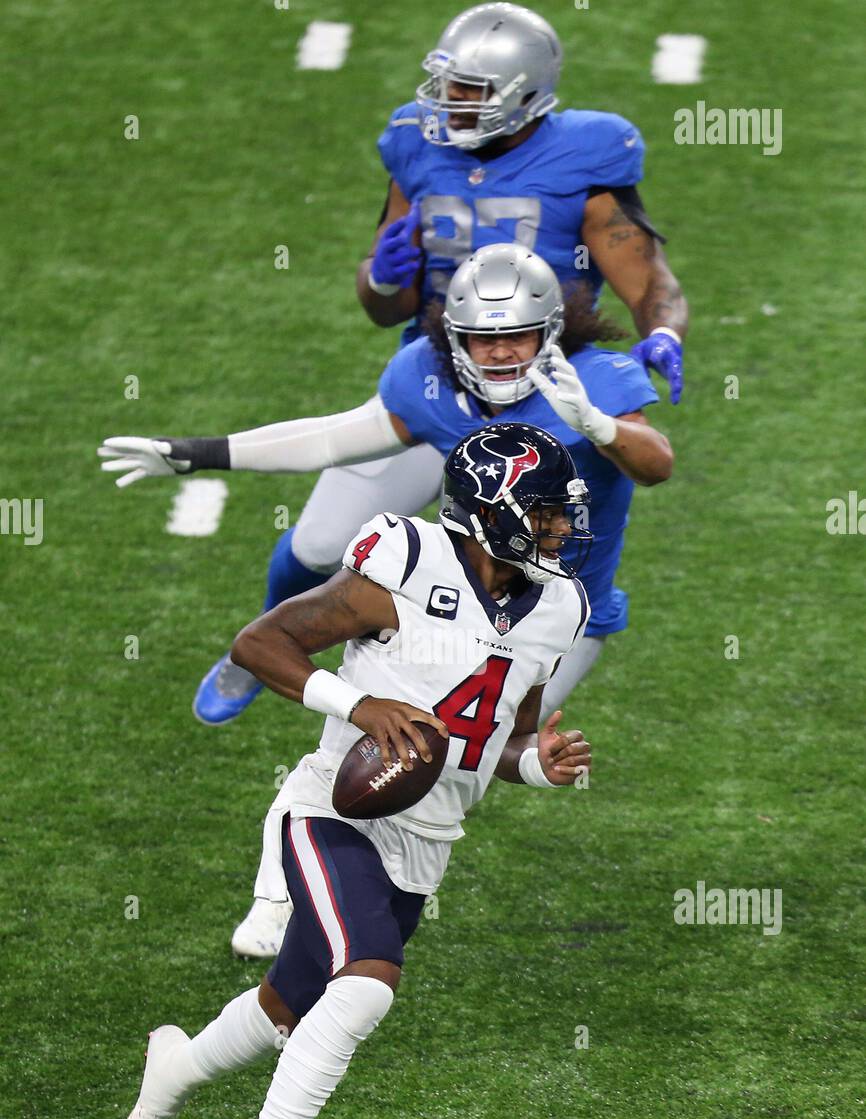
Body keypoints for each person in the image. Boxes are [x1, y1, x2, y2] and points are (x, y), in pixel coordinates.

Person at [100, 245, 672, 957]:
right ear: (450, 338)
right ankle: (285, 888)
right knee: (379, 709)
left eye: (515, 336)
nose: (498, 355)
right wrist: (198, 451)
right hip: (453, 584)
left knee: (460, 755)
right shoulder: (425, 379)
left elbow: (657, 464)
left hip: (556, 608)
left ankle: (344, 893)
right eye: (482, 338)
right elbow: (333, 439)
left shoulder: (601, 381)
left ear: (550, 331)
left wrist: (597, 424)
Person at [120, 422, 594, 1119]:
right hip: (331, 809)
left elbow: (504, 744)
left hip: (426, 842)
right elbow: (261, 642)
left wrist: (543, 767)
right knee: (367, 983)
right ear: (488, 513)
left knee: (287, 1007)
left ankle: (171, 1073)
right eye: (543, 512)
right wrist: (358, 704)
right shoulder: (406, 561)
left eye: (562, 514)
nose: (559, 529)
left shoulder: (559, 606)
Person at [189, 2, 688, 725]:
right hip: (437, 387)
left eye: (470, 91)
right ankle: (255, 653)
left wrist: (664, 334)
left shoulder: (587, 156)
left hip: (543, 402)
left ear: (525, 92)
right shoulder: (416, 144)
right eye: (448, 85)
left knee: (533, 589)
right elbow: (381, 302)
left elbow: (651, 281)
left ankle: (496, 723)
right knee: (323, 542)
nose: (449, 103)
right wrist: (383, 278)